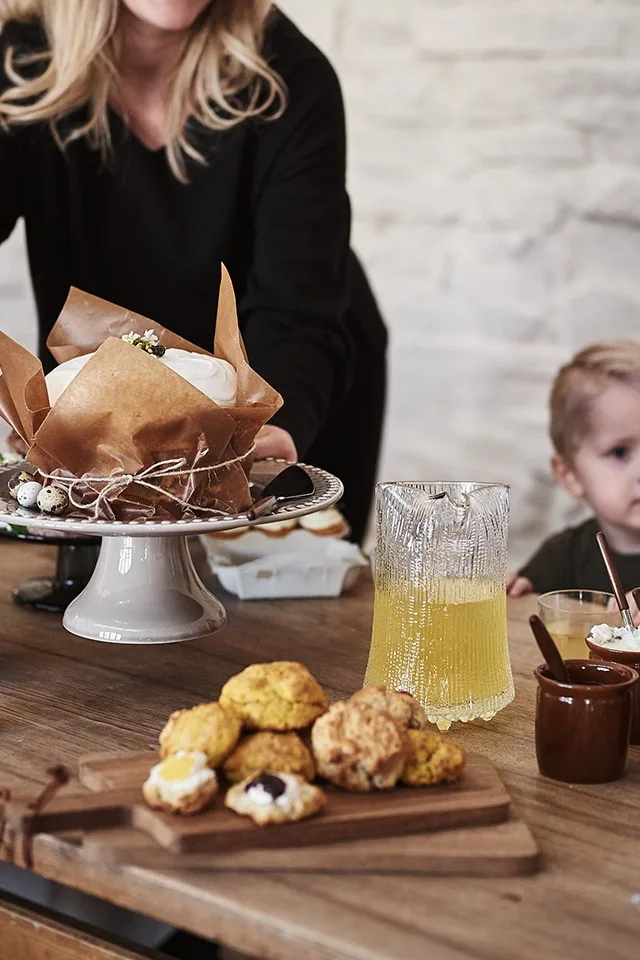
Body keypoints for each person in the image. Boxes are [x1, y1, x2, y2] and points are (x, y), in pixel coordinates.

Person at [0, 0, 387, 544]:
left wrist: (271, 426)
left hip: (291, 370)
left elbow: (296, 307)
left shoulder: (291, 77)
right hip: (108, 412)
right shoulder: (21, 63)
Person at [508, 341, 640, 618]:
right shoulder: (563, 555)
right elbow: (527, 611)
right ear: (570, 475)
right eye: (620, 452)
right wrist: (513, 592)